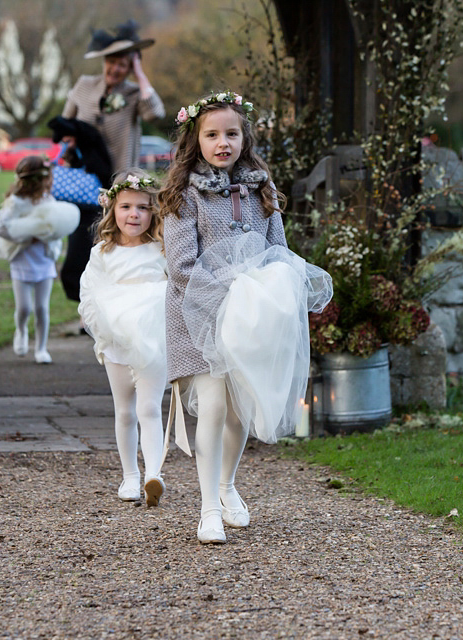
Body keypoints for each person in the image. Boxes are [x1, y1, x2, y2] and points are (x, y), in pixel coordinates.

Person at [157, 92, 332, 544]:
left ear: (244, 137)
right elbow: (181, 267)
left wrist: (274, 292)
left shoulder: (261, 189)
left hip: (250, 320)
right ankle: (207, 509)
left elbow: (278, 252)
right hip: (196, 314)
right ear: (196, 140)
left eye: (231, 134)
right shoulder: (183, 195)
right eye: (212, 135)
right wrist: (230, 294)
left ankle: (227, 484)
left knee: (239, 410)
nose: (223, 143)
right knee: (213, 405)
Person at [78, 169, 167, 506]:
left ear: (153, 211)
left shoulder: (161, 249)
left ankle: (153, 475)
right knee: (125, 410)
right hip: (116, 336)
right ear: (112, 210)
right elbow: (89, 293)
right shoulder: (103, 252)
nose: (134, 214)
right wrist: (98, 322)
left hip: (153, 336)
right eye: (126, 206)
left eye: (143, 208)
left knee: (150, 407)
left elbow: (176, 287)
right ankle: (130, 474)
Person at [62, 20, 165, 175]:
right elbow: (64, 124)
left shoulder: (135, 93)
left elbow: (155, 114)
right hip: (83, 174)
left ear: (129, 69)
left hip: (120, 177)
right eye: (111, 62)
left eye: (122, 65)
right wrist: (71, 137)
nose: (115, 69)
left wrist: (140, 75)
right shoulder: (84, 84)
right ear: (104, 62)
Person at [0, 156, 63, 364]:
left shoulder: (48, 201)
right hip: (22, 259)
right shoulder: (14, 203)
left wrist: (48, 235)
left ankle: (41, 348)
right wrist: (27, 236)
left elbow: (56, 226)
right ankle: (21, 329)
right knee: (24, 308)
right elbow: (1, 230)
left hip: (43, 259)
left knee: (42, 308)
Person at [47, 116, 113, 303]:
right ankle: (83, 307)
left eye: (68, 140)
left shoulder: (92, 156)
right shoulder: (75, 154)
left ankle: (86, 308)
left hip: (89, 213)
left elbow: (103, 174)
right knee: (78, 257)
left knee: (82, 258)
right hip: (75, 211)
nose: (66, 144)